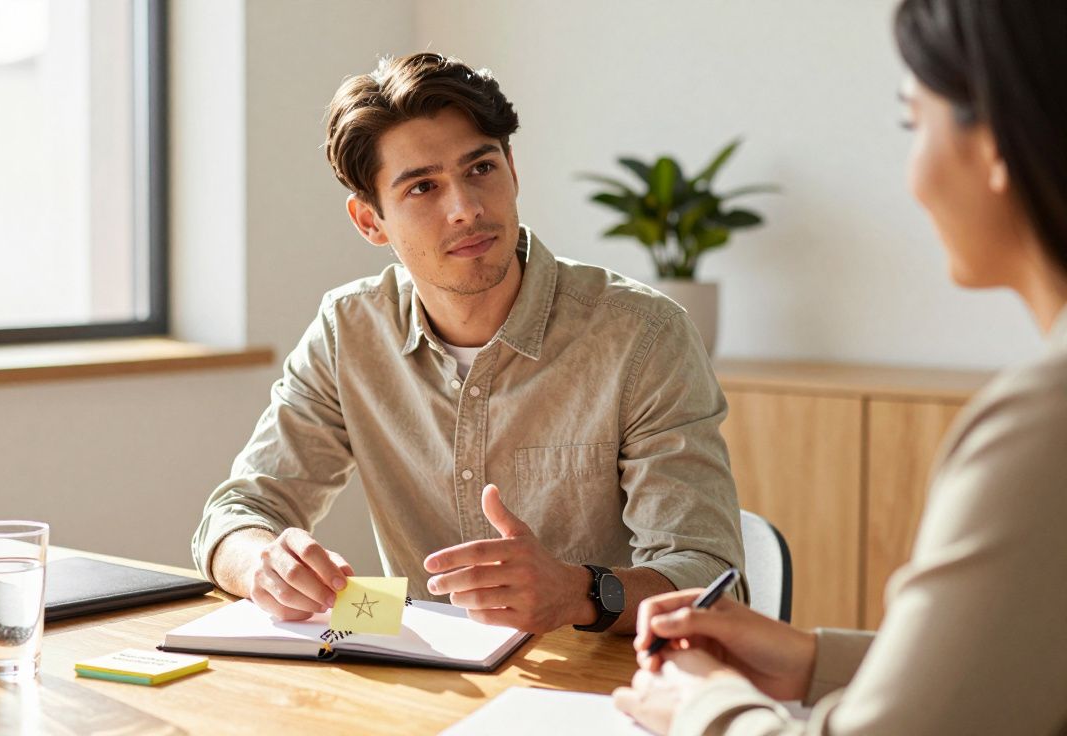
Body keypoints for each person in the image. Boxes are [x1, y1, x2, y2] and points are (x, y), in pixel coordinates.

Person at [614, 0, 1067, 732]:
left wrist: (702, 708)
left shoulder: (1046, 425)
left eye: (910, 123)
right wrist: (816, 659)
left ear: (995, 142)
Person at [191, 52, 747, 635]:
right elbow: (234, 516)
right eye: (422, 188)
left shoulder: (643, 335)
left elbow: (711, 577)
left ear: (512, 167)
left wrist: (579, 592)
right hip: (425, 684)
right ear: (369, 222)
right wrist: (264, 563)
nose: (466, 210)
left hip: (607, 684)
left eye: (480, 168)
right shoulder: (347, 332)